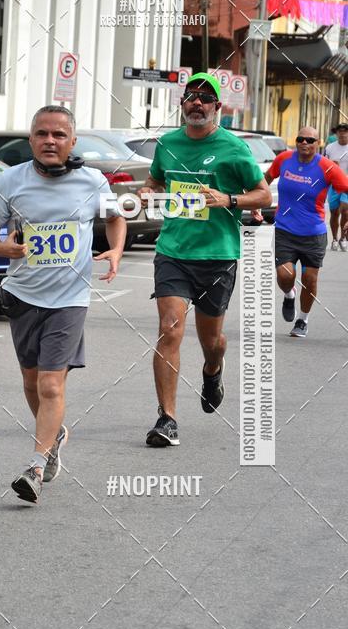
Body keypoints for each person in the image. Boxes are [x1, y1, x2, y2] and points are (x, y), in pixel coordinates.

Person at [0, 106, 126, 502]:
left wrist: (115, 250)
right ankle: (55, 434)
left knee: (49, 382)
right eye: (42, 133)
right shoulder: (11, 181)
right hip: (23, 293)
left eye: (59, 135)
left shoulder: (91, 180)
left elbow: (115, 218)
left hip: (69, 299)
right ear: (31, 139)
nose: (50, 141)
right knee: (31, 381)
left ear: (72, 142)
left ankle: (36, 466)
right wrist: (7, 248)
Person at [139, 72, 271, 447]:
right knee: (170, 328)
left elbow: (262, 195)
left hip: (217, 255)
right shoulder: (167, 143)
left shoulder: (233, 148)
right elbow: (155, 181)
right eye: (191, 96)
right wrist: (148, 192)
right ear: (182, 104)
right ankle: (167, 419)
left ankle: (213, 369)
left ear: (217, 107)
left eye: (205, 97)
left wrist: (228, 200)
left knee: (211, 339)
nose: (197, 102)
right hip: (173, 252)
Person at [266, 126, 348, 337]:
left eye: (310, 140)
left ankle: (302, 320)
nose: (304, 143)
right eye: (300, 139)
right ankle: (289, 294)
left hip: (313, 233)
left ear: (317, 143)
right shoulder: (283, 159)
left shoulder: (327, 167)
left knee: (310, 279)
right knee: (285, 275)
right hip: (285, 229)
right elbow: (264, 180)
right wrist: (256, 201)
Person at [324, 122, 348, 250]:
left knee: (345, 210)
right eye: (340, 130)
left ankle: (343, 238)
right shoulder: (330, 148)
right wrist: (332, 166)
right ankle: (334, 239)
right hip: (334, 185)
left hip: (347, 185)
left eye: (345, 130)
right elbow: (323, 166)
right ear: (336, 133)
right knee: (334, 213)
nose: (342, 133)